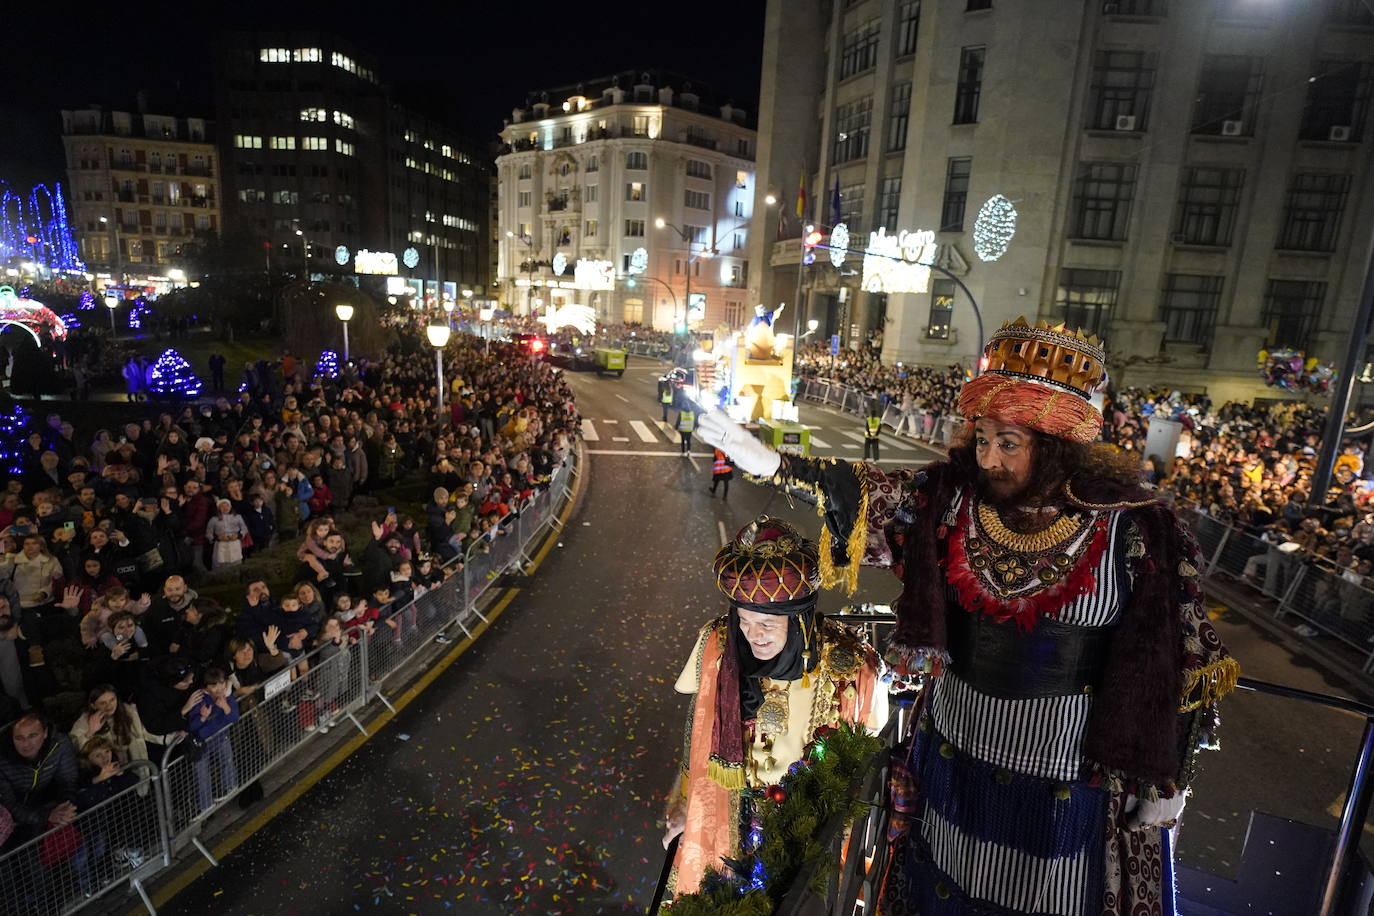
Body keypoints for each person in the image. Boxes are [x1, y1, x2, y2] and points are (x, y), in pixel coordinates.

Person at [698, 317, 1240, 913]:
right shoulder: (952, 500)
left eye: (1008, 443)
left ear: (1056, 446)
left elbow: (1183, 658)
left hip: (1066, 770)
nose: (988, 458)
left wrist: (1169, 779)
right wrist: (774, 464)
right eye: (982, 439)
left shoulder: (1136, 527)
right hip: (955, 749)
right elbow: (875, 495)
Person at [661, 517, 884, 895]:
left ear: (798, 621)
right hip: (732, 818)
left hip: (806, 829)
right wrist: (685, 803)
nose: (753, 636)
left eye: (767, 623)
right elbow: (697, 729)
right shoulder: (719, 645)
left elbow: (866, 757)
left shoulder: (849, 665)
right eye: (745, 621)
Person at [0, 712, 79, 846]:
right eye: (19, 738)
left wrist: (65, 806)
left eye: (32, 736)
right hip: (14, 824)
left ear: (45, 733)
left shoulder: (59, 744)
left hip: (49, 805)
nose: (26, 744)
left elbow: (68, 780)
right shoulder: (3, 758)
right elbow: (9, 804)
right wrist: (47, 815)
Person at [186, 666, 239, 810]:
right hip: (201, 743)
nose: (219, 688)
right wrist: (203, 718)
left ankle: (229, 788)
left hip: (220, 738)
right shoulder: (199, 700)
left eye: (221, 683)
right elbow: (193, 727)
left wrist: (225, 706)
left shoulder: (227, 696)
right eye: (214, 685)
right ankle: (205, 805)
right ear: (206, 686)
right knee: (202, 775)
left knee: (227, 762)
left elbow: (234, 718)